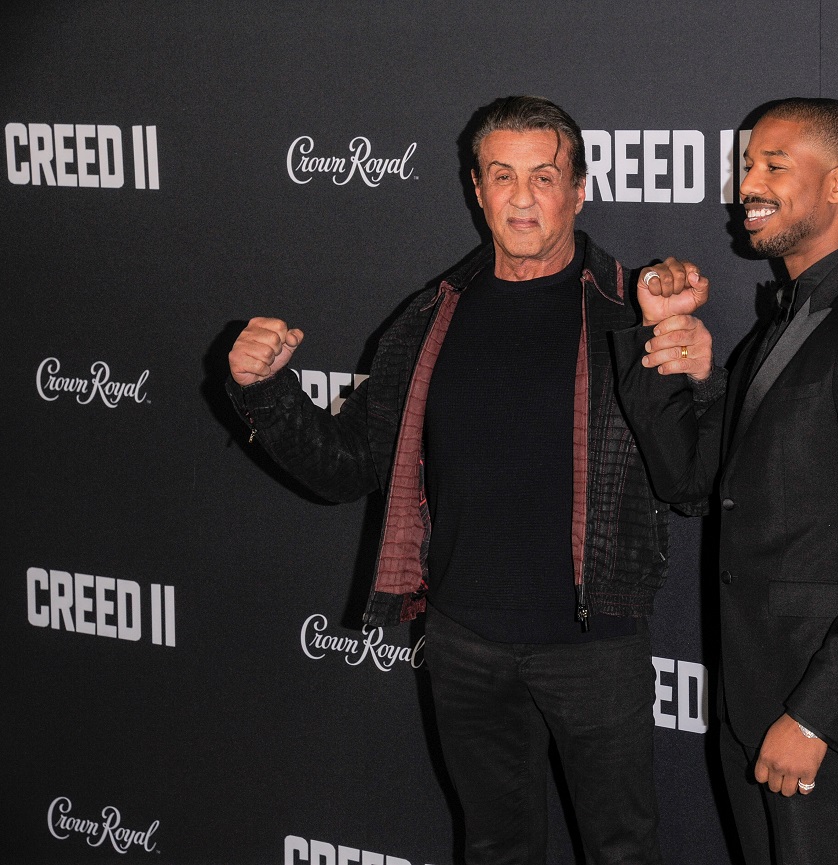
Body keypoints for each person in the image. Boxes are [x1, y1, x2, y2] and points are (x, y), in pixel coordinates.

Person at [226, 95, 716, 865]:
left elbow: (690, 481)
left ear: (580, 190)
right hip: (465, 646)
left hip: (594, 647)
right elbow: (346, 466)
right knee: (495, 849)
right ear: (477, 188)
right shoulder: (428, 318)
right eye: (502, 175)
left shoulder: (631, 312)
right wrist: (264, 391)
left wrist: (690, 368)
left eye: (543, 176)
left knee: (624, 851)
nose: (522, 197)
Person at [612, 97, 838, 865]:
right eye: (746, 166)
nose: (747, 185)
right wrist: (664, 336)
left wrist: (815, 716)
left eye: (773, 164)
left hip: (820, 724)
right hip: (756, 704)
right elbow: (690, 479)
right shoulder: (783, 326)